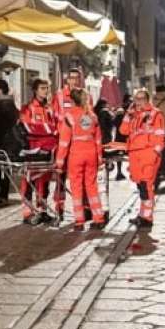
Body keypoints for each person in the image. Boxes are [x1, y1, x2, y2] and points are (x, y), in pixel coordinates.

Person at [56, 88, 105, 231]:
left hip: (76, 153)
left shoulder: (69, 116)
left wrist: (59, 162)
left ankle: (79, 220)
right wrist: (99, 158)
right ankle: (98, 218)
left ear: (72, 100)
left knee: (76, 187)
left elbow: (64, 142)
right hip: (91, 154)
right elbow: (98, 139)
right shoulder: (92, 116)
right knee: (92, 186)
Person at [120, 88, 165, 228]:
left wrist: (154, 155)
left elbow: (160, 137)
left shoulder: (155, 114)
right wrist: (128, 114)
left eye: (141, 99)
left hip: (147, 155)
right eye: (136, 99)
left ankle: (147, 218)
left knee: (146, 187)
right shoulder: (134, 115)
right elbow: (123, 130)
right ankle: (142, 215)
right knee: (141, 187)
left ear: (147, 99)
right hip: (135, 155)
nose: (138, 101)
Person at [51, 69, 91, 218]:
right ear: (67, 80)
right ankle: (59, 208)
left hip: (80, 145)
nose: (74, 81)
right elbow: (55, 117)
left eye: (77, 78)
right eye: (71, 78)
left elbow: (89, 118)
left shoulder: (86, 96)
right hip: (64, 141)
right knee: (60, 177)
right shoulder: (60, 96)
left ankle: (84, 209)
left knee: (82, 178)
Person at [19, 78, 59, 225]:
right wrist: (48, 129)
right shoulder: (27, 108)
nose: (46, 91)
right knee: (29, 182)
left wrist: (48, 129)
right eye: (42, 88)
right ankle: (28, 213)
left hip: (48, 151)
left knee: (44, 183)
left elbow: (56, 126)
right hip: (32, 150)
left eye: (47, 88)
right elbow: (27, 127)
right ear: (35, 90)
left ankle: (42, 211)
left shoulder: (49, 108)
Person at [111, 94, 132, 181]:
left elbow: (113, 123)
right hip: (128, 137)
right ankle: (133, 172)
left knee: (119, 155)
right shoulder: (131, 110)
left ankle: (119, 172)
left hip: (119, 136)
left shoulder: (120, 111)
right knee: (132, 154)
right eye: (130, 101)